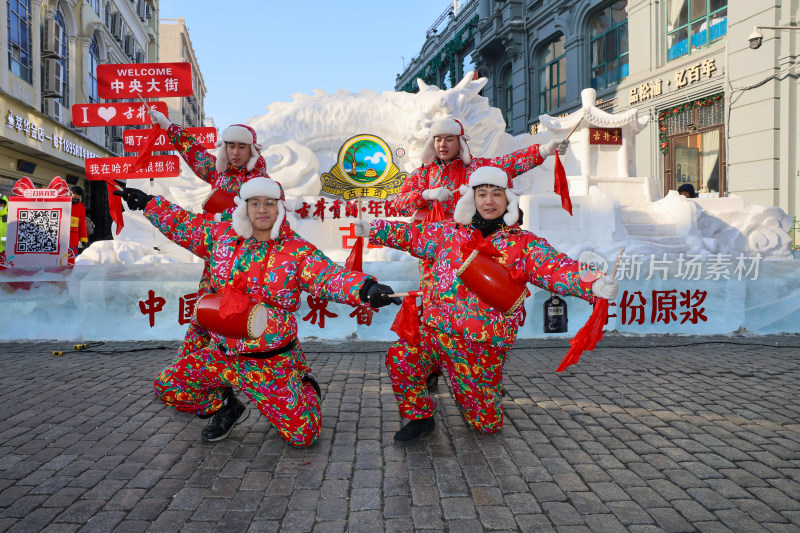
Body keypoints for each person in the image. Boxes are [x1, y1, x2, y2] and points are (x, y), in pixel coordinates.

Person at [116, 177, 400, 446]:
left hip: (269, 364)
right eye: (255, 202)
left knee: (303, 437)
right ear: (245, 207)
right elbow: (184, 225)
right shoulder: (221, 238)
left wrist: (365, 290)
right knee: (169, 387)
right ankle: (227, 406)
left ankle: (305, 385)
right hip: (222, 355)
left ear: (280, 207)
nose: (262, 209)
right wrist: (149, 203)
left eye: (270, 202)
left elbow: (329, 276)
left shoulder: (297, 251)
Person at [356, 166, 619, 444]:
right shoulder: (449, 233)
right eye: (482, 194)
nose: (489, 201)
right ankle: (421, 417)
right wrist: (375, 228)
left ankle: (485, 395)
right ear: (473, 198)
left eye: (496, 194)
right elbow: (413, 235)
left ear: (508, 200)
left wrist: (596, 282)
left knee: (485, 425)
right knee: (401, 356)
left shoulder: (523, 245)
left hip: (479, 347)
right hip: (436, 333)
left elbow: (557, 267)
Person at [391, 118, 566, 389]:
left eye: (449, 139)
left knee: (483, 308)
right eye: (438, 139)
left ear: (459, 142)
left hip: (477, 251)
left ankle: (485, 371)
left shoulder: (475, 169)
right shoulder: (421, 174)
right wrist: (426, 194)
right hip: (435, 254)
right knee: (434, 307)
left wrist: (543, 151)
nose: (442, 144)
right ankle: (432, 367)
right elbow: (398, 202)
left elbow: (509, 164)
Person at [149, 110, 271, 402]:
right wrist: (167, 127)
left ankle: (285, 380)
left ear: (252, 149)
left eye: (242, 147)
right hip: (216, 263)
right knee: (204, 319)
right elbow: (193, 152)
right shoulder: (218, 171)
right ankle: (195, 382)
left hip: (247, 269)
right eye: (230, 146)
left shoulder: (260, 182)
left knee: (246, 327)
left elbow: (270, 223)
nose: (235, 152)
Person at [69, 186, 88, 264]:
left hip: (74, 236)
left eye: (78, 195)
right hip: (61, 234)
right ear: (71, 192)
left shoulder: (81, 207)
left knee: (72, 255)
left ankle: (70, 272)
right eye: (75, 194)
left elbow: (82, 223)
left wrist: (83, 239)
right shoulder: (64, 202)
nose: (76, 196)